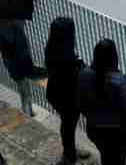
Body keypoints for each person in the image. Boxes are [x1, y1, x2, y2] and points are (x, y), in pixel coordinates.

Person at [77, 39, 126, 165]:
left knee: (106, 155)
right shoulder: (119, 81)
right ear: (114, 58)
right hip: (118, 134)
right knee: (118, 160)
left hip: (95, 129)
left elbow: (81, 102)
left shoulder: (84, 74)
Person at [45, 17, 91, 165]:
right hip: (66, 98)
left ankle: (70, 151)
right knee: (68, 124)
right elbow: (74, 74)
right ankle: (69, 155)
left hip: (56, 93)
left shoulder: (52, 47)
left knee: (68, 124)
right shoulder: (65, 57)